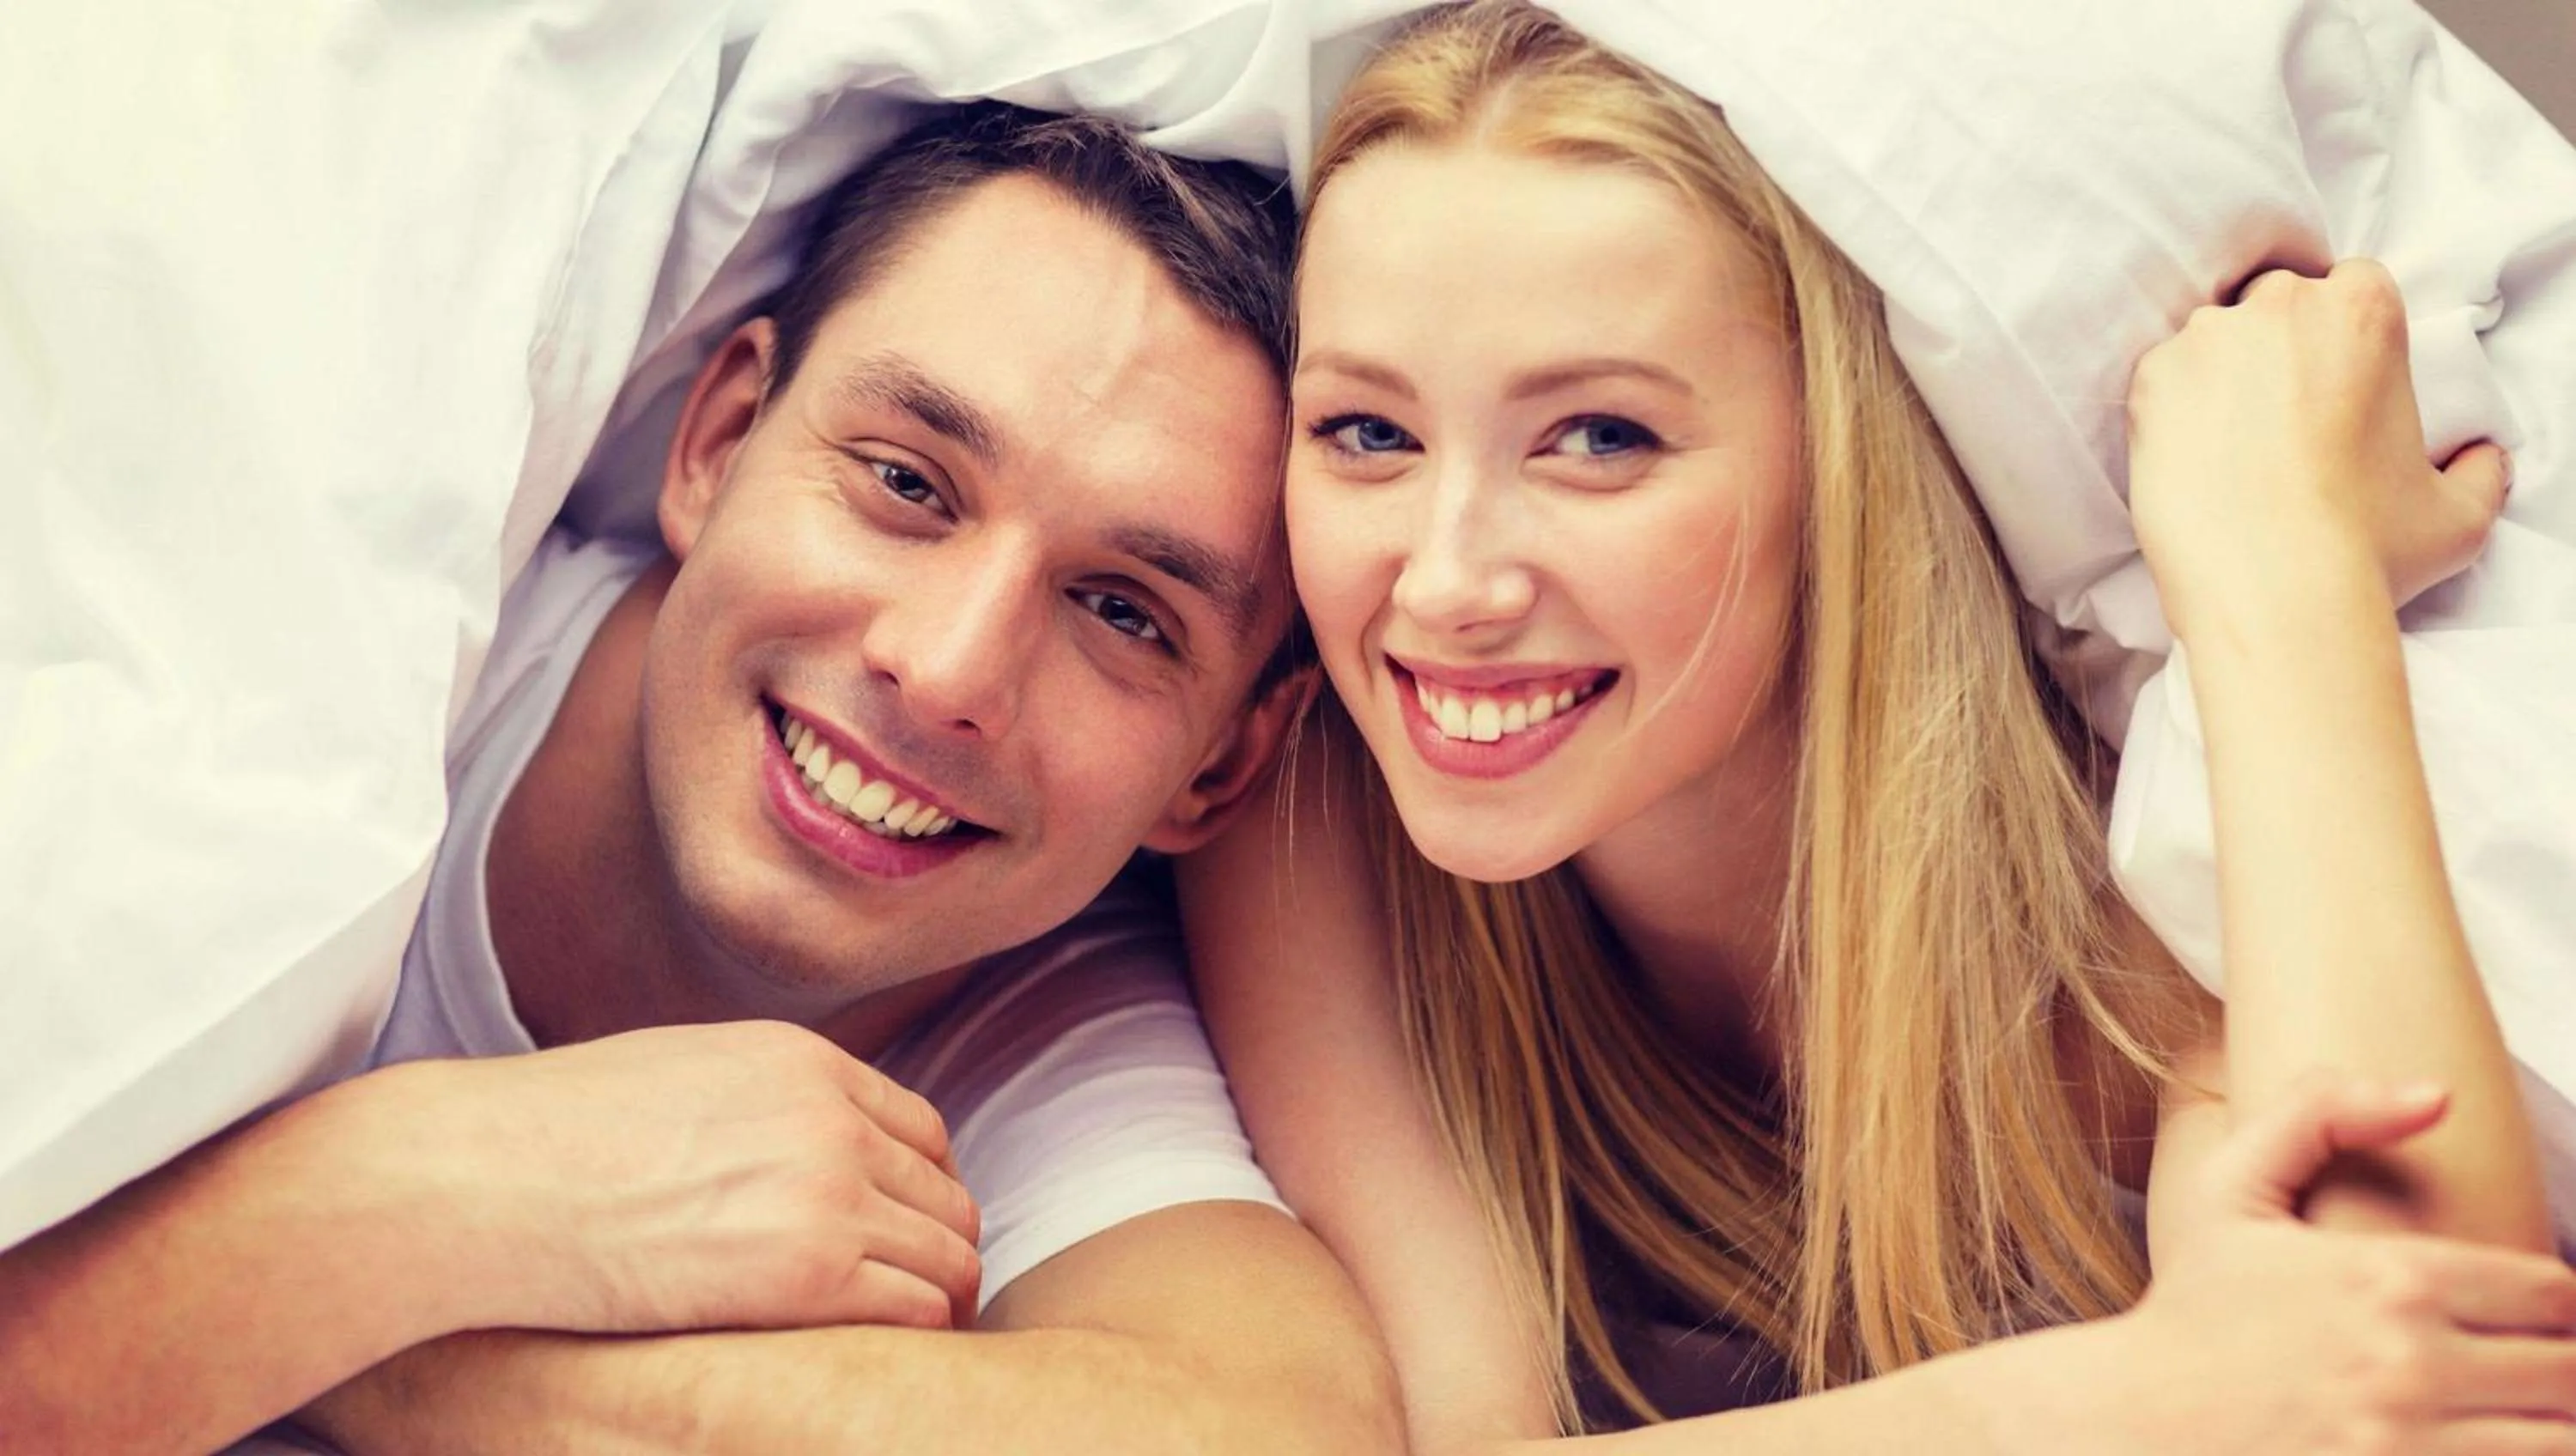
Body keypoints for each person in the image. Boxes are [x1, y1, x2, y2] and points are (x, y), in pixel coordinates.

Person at [1181, 3, 2576, 1449]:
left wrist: (2283, 574)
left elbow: (2440, 1398)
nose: (1446, 583)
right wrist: (2125, 1397)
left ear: (1840, 478)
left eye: (1601, 439)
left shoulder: (2123, 931)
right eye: (1367, 434)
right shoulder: (1308, 823)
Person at [0, 101, 1399, 1456]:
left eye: (1123, 613)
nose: (948, 671)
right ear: (719, 443)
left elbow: (1285, 1433)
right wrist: (451, 1175)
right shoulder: (318, 677)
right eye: (908, 484)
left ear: (1220, 764)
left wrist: (367, 1321)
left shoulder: (1047, 1024)